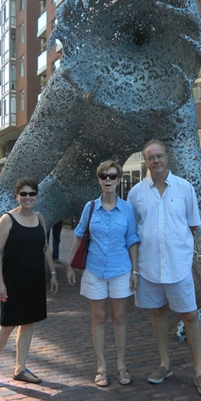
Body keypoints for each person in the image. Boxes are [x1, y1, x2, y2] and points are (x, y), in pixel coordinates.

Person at [127, 140, 201, 396]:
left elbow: (193, 225)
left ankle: (199, 371)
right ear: (146, 162)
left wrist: (176, 246)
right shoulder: (136, 193)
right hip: (150, 267)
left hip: (177, 266)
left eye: (159, 156)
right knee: (158, 314)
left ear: (167, 158)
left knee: (190, 316)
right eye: (150, 157)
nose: (156, 161)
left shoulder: (185, 188)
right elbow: (133, 230)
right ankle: (165, 364)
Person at [0, 177, 59, 390]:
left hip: (34, 280)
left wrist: (52, 273)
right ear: (17, 196)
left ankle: (20, 368)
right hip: (12, 281)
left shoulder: (40, 219)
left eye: (31, 193)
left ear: (36, 196)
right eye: (23, 194)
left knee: (28, 323)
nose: (27, 197)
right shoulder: (7, 220)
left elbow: (45, 248)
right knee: (6, 326)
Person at [66, 160, 139, 387]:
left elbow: (132, 240)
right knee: (99, 318)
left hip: (120, 270)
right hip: (95, 270)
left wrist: (135, 270)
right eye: (104, 176)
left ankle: (121, 365)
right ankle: (101, 367)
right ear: (99, 179)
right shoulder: (90, 207)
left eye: (113, 176)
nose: (108, 180)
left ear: (119, 179)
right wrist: (69, 264)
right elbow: (79, 235)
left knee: (118, 318)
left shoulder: (127, 208)